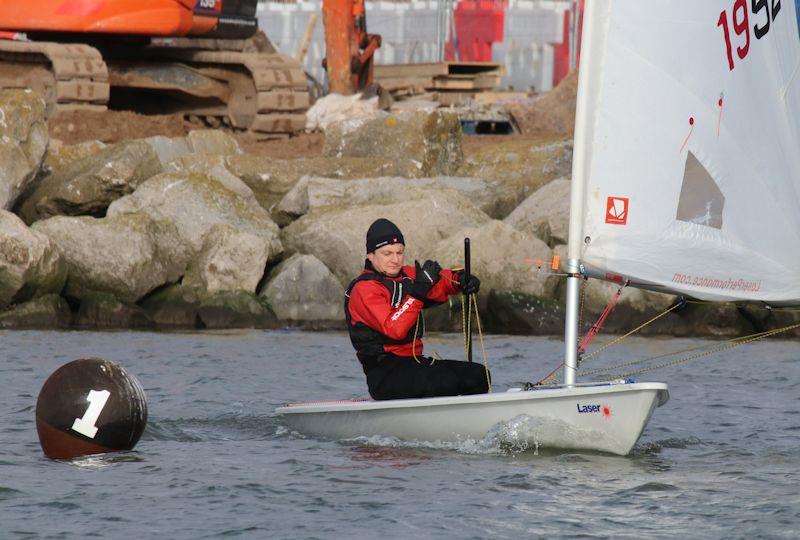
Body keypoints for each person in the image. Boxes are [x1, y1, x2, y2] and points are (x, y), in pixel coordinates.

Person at [344, 218, 490, 400]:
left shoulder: (408, 275)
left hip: (415, 364)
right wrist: (419, 291)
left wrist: (461, 280)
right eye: (387, 253)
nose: (395, 260)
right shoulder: (364, 290)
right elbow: (394, 329)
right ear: (371, 256)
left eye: (399, 252)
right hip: (385, 375)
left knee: (479, 376)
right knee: (443, 381)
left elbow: (442, 281)